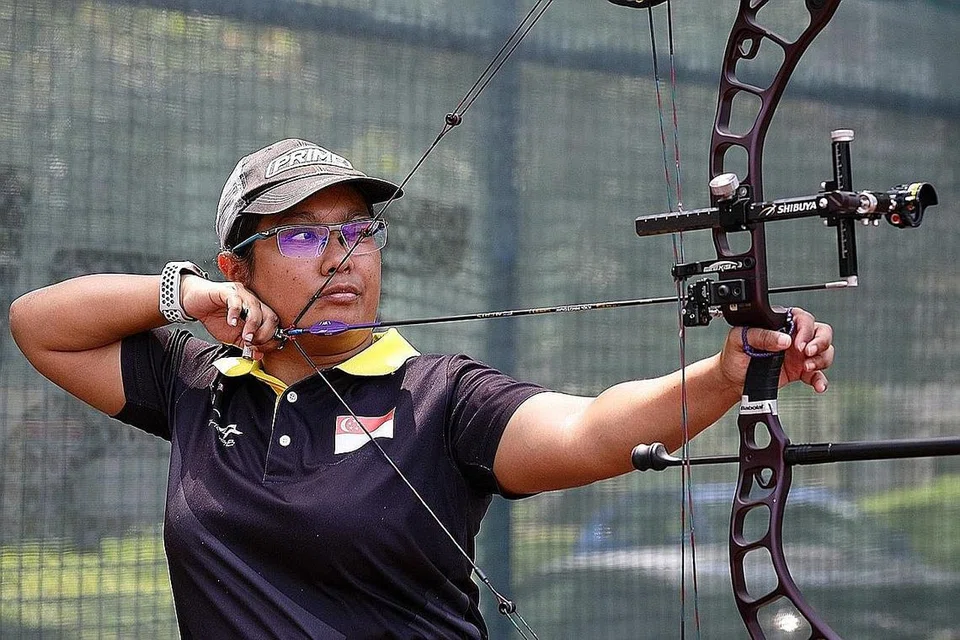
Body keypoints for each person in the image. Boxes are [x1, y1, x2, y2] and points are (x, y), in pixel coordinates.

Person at [9, 138, 835, 639]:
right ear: (239, 269)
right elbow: (38, 323)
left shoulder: (438, 398)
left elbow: (591, 431)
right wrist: (188, 296)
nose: (342, 256)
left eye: (357, 230)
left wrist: (724, 374)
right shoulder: (201, 386)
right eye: (300, 236)